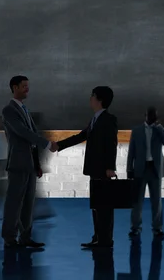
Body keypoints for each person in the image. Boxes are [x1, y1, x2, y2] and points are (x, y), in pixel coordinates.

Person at [57, 86, 118, 249]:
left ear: (99, 100)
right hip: (94, 169)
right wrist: (58, 145)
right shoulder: (95, 119)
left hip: (102, 170)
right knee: (97, 205)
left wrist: (110, 167)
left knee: (103, 207)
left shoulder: (108, 119)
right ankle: (98, 237)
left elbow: (112, 144)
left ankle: (105, 240)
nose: (90, 99)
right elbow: (81, 136)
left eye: (92, 96)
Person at [1, 75, 57, 249]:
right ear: (14, 87)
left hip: (30, 164)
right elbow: (23, 132)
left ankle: (25, 237)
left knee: (28, 204)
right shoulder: (9, 110)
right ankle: (10, 238)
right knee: (14, 202)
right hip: (18, 163)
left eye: (27, 86)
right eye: (24, 86)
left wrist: (37, 164)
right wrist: (47, 144)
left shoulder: (25, 110)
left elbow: (32, 139)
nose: (27, 89)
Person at [127, 106, 164, 239]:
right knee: (137, 201)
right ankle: (135, 227)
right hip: (140, 169)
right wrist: (129, 169)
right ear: (145, 116)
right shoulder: (136, 131)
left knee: (156, 200)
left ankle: (157, 228)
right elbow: (131, 151)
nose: (152, 119)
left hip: (155, 169)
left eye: (155, 116)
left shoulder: (159, 130)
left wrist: (159, 127)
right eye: (150, 116)